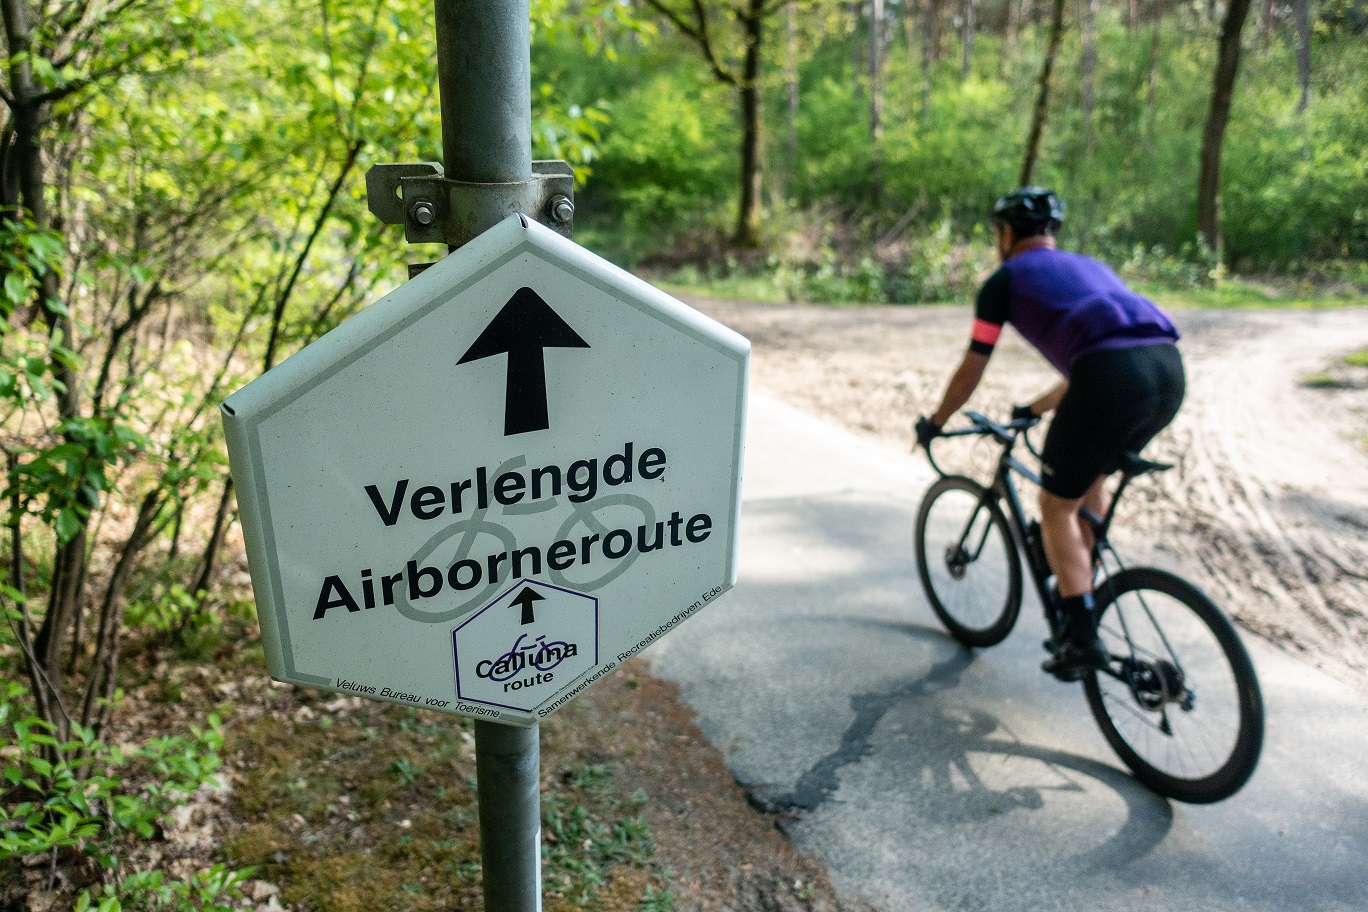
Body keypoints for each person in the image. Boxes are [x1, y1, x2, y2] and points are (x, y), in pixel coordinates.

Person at [916, 187, 1185, 680]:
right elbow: (1106, 352)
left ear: (1005, 234)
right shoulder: (1091, 266)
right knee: (1091, 477)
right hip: (1168, 371)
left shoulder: (1003, 282)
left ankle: (1081, 637)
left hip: (1109, 376)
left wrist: (936, 421)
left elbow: (973, 366)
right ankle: (1081, 585)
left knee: (1055, 505)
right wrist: (1034, 408)